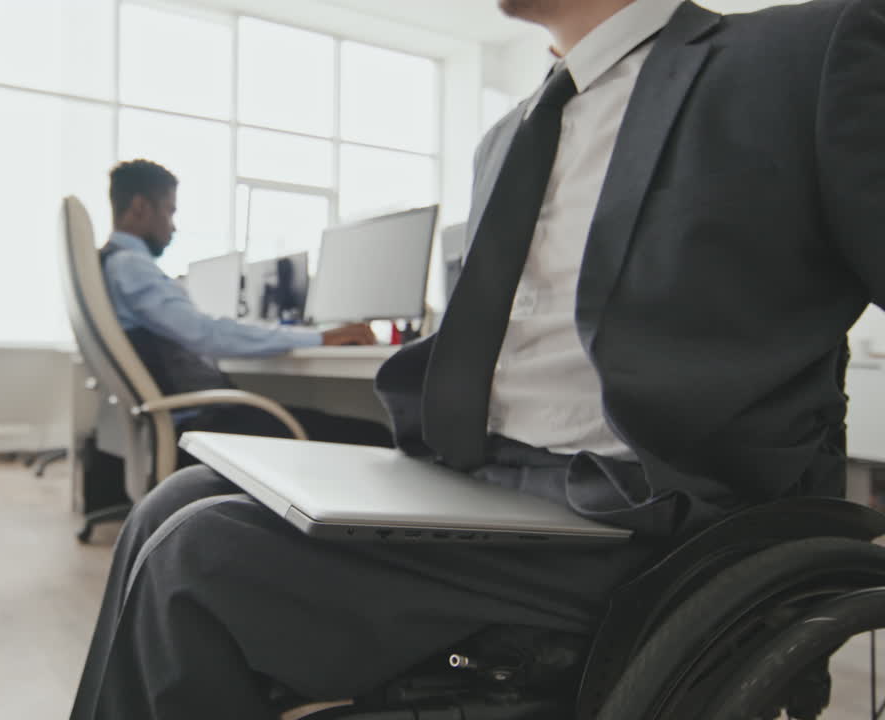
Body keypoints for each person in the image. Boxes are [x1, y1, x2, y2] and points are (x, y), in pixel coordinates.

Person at [71, 0, 885, 717]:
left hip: (647, 520)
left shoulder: (807, 55)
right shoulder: (510, 134)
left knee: (200, 558)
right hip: (484, 478)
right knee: (168, 506)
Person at [102, 159, 393, 450]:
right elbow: (206, 333)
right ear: (140, 207)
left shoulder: (110, 264)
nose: (173, 226)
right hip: (205, 424)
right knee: (375, 435)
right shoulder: (130, 266)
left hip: (189, 420)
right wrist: (321, 337)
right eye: (169, 210)